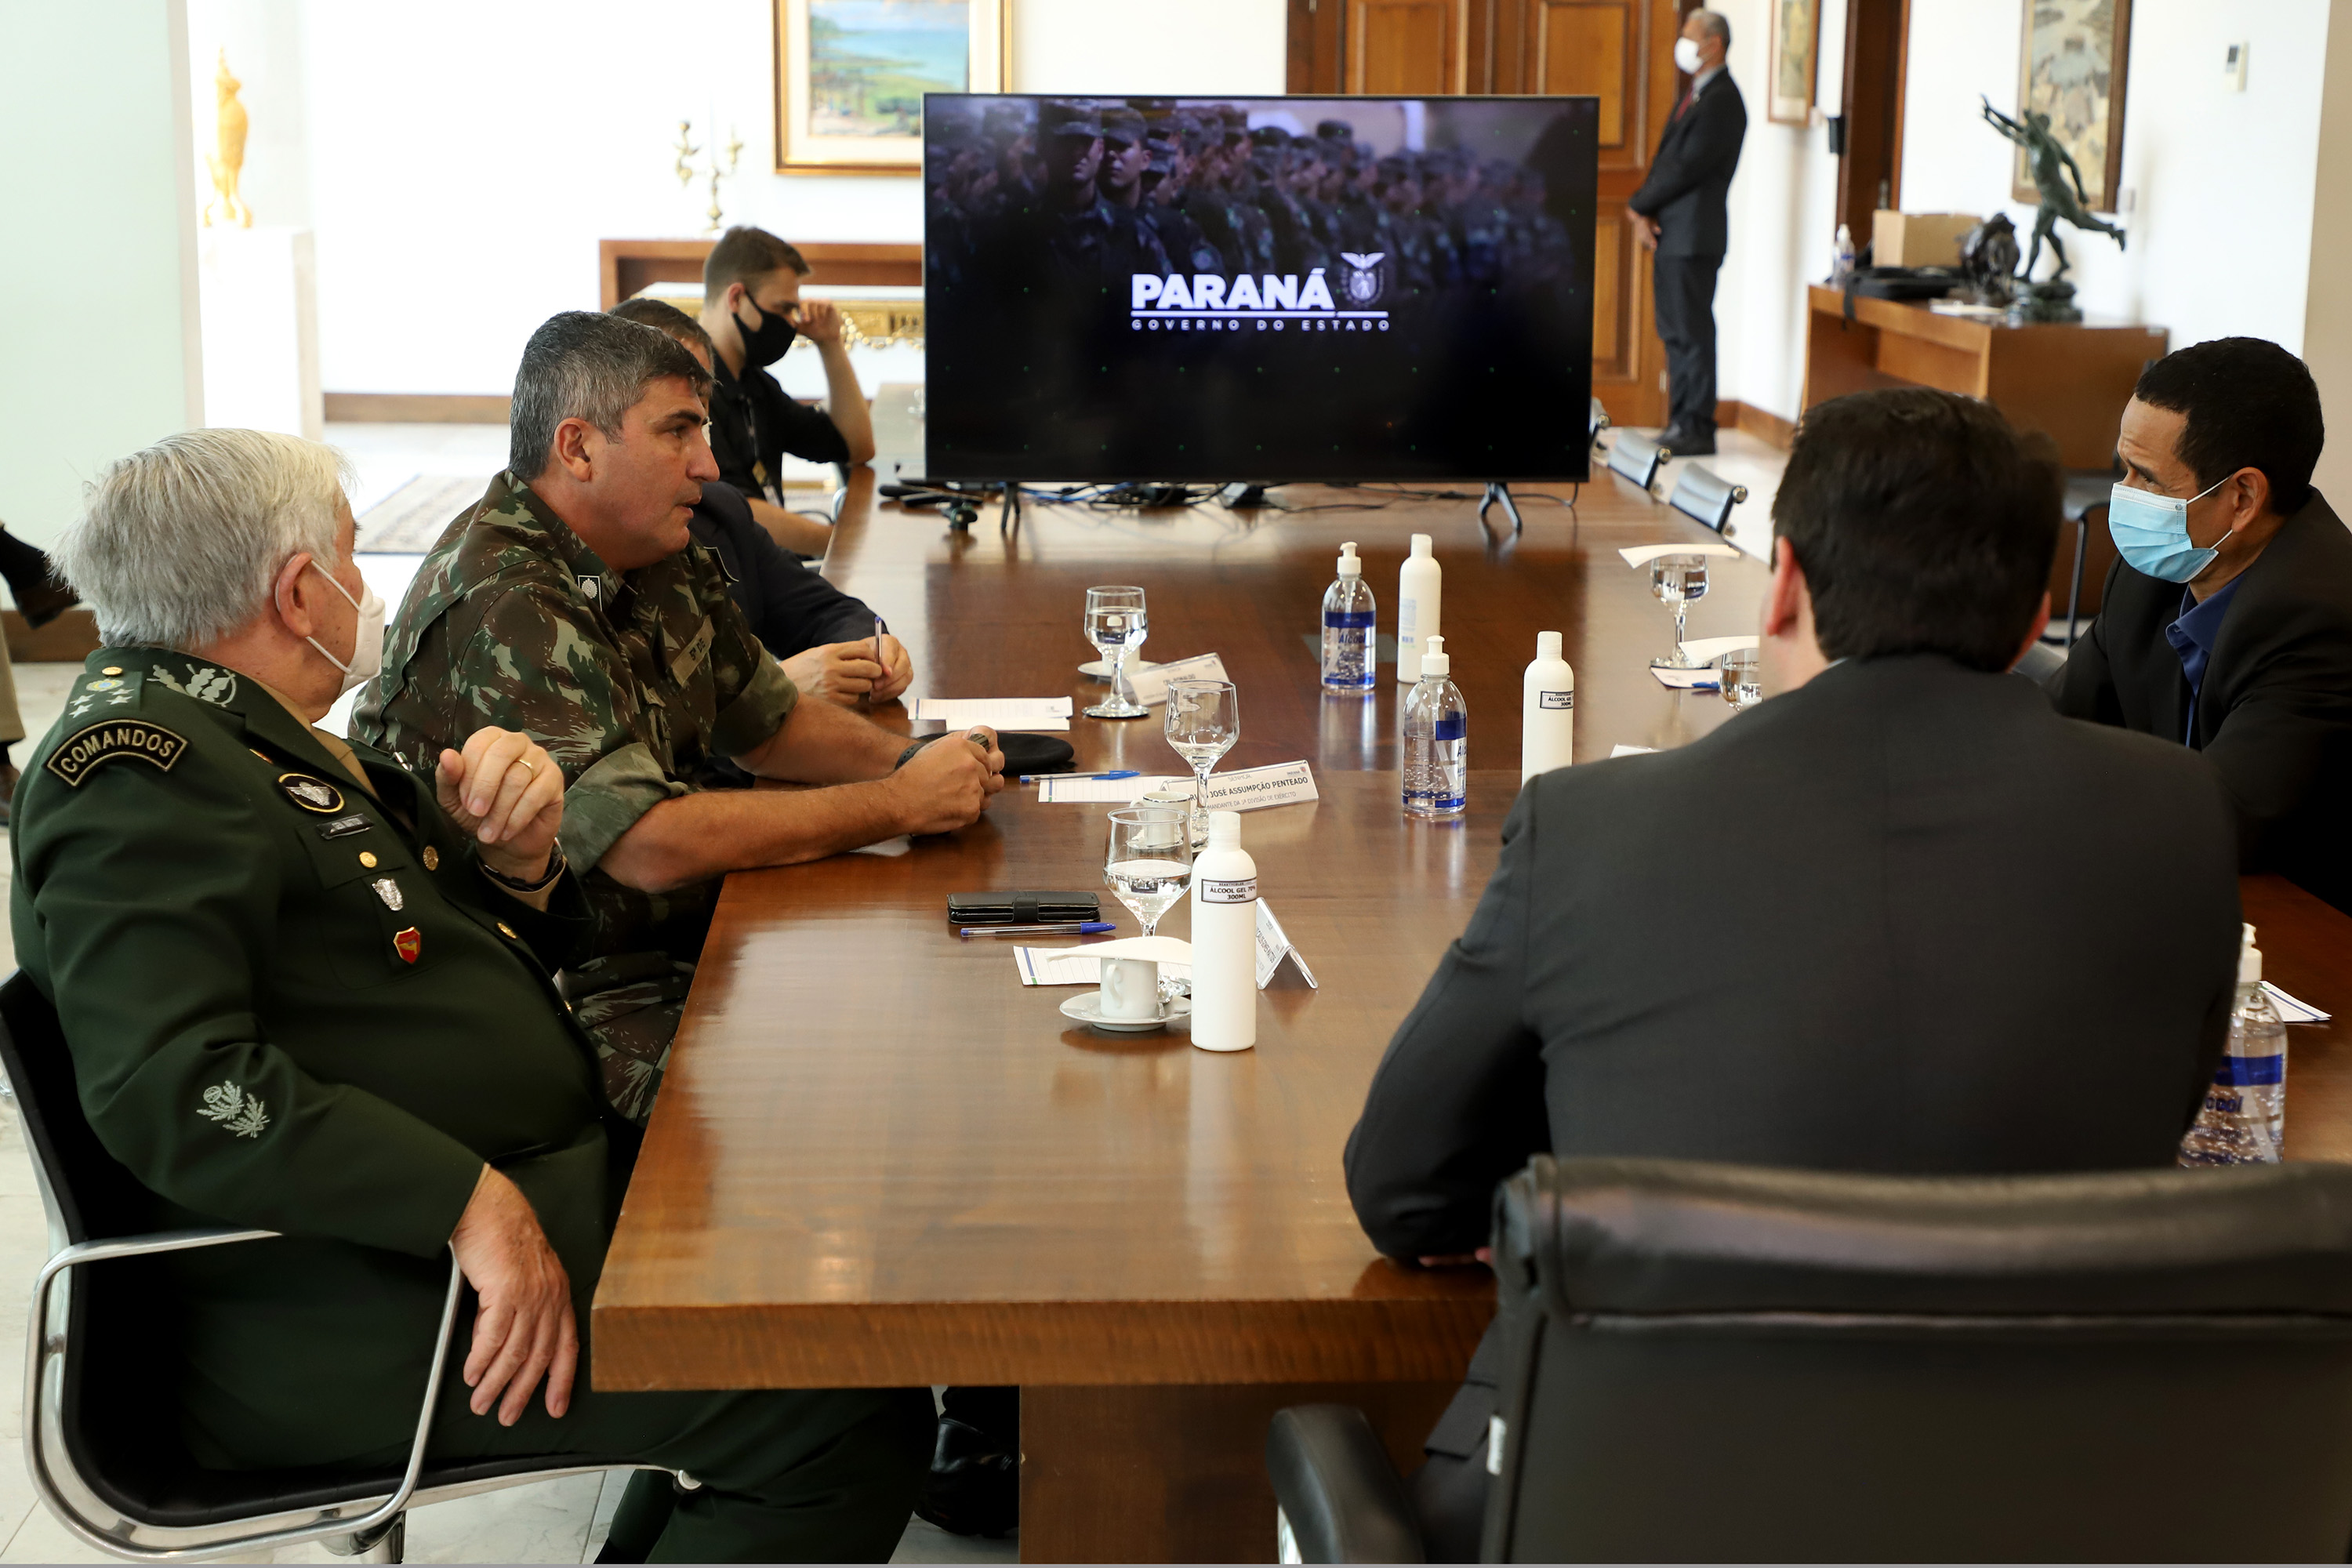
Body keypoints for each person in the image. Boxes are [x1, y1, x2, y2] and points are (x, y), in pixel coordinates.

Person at [1345, 388, 2243, 1561]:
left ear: (1782, 584)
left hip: (1631, 1502)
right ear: (2032, 622)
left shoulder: (1594, 827)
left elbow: (1407, 1193)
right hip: (2039, 1498)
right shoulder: (2178, 817)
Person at [15, 427, 934, 1562]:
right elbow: (175, 1086)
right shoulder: (133, 777)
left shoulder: (243, 737)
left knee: (826, 1226)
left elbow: (421, 958)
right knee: (836, 1405)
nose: (369, 588)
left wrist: (520, 860)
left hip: (474, 1216)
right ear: (300, 593)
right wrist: (470, 1202)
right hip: (350, 1302)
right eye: (353, 560)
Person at [355, 312, 1003, 1127]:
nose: (710, 460)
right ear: (579, 447)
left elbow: (770, 723)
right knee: (831, 1113)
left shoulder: (652, 546)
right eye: (678, 432)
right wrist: (900, 804)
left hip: (689, 936)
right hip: (570, 993)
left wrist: (912, 764)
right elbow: (649, 845)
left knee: (942, 1019)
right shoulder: (504, 600)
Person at [2048, 337, 2352, 913]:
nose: (2124, 497)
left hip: (2306, 933)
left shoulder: (2322, 616)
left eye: (2148, 479)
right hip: (2184, 892)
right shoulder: (2148, 577)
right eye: (2123, 469)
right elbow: (2056, 729)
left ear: (2241, 497)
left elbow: (2222, 818)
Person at [608, 298, 913, 708]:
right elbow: (619, 729)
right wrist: (776, 686)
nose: (708, 466)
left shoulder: (720, 513)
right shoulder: (567, 552)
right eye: (678, 427)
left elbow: (826, 611)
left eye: (704, 419)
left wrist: (869, 649)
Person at [695, 225, 875, 557]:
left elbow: (856, 446)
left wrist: (830, 343)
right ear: (736, 298)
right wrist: (846, 545)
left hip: (768, 566)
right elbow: (738, 512)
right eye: (782, 309)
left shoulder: (756, 385)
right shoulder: (693, 390)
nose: (792, 323)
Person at [1628, 7, 1746, 456]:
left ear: (1713, 44)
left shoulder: (1722, 101)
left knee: (1692, 331)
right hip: (1675, 232)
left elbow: (1687, 166)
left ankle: (1696, 426)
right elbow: (1668, 161)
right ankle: (1681, 420)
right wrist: (1647, 211)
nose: (1683, 43)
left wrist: (1639, 205)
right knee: (1675, 330)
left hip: (1694, 234)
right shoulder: (1697, 94)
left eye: (1690, 36)